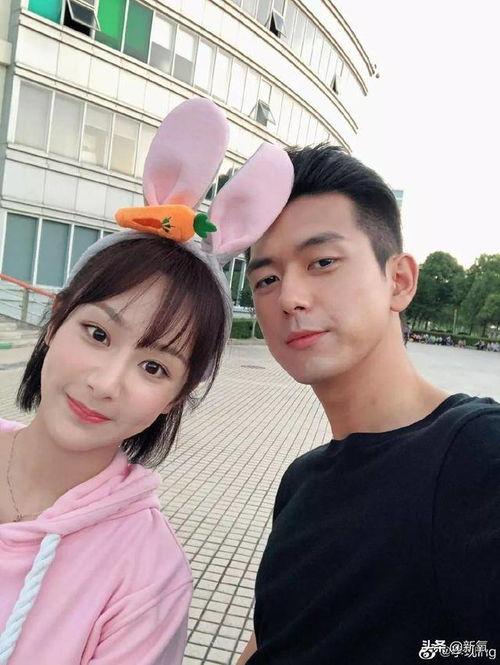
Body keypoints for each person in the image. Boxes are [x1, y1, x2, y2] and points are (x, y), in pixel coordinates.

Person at [0, 98, 294, 664]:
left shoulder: (147, 578)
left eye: (154, 366)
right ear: (55, 321)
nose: (106, 382)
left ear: (177, 397)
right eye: (97, 334)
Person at [238, 144, 500, 664]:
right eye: (267, 279)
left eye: (322, 262)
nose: (289, 297)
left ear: (398, 281)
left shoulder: (479, 455)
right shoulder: (301, 481)